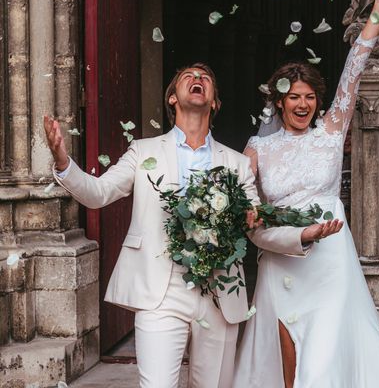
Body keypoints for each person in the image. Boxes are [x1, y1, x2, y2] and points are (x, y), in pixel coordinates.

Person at [43, 63, 342, 388]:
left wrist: (302, 236)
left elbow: (256, 227)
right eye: (189, 76)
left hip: (218, 294)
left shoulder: (237, 164)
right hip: (160, 291)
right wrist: (62, 161)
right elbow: (97, 193)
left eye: (205, 79)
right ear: (172, 99)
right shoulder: (143, 152)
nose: (197, 79)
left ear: (214, 103)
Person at [233, 0, 379, 388]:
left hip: (330, 254)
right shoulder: (257, 148)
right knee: (287, 343)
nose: (303, 103)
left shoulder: (332, 130)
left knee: (328, 342)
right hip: (282, 257)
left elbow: (354, 68)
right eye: (293, 96)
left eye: (310, 96)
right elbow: (245, 206)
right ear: (279, 102)